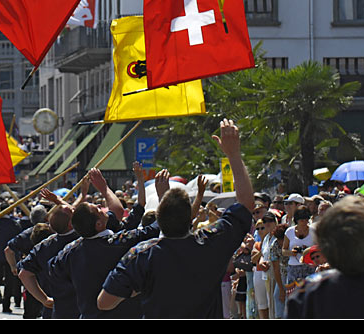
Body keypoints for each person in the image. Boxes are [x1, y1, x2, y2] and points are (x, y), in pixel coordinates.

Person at [97, 119, 255, 318]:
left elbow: (104, 302)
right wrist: (233, 155)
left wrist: (138, 286)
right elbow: (247, 204)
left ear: (158, 219)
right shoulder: (211, 242)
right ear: (191, 218)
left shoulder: (141, 255)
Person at [50, 161, 161, 318]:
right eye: (99, 210)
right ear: (99, 224)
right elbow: (154, 229)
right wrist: (164, 199)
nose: (104, 210)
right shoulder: (120, 241)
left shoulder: (69, 252)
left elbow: (53, 269)